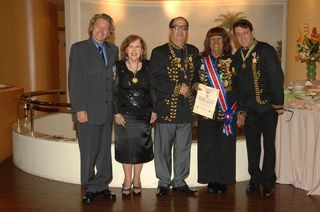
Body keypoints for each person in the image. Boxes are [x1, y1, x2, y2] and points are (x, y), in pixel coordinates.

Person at [68, 13, 119, 204]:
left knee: (104, 151)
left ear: (109, 32)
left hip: (106, 112)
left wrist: (115, 109)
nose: (101, 30)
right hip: (87, 112)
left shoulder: (113, 50)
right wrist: (78, 109)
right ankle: (89, 187)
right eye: (98, 26)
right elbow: (74, 81)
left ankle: (103, 185)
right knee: (88, 152)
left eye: (106, 28)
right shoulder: (79, 49)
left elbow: (113, 82)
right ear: (92, 27)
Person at [232, 19, 284, 197]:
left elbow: (277, 77)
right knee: (252, 146)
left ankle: (269, 181)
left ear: (252, 32)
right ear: (235, 37)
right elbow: (239, 87)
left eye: (245, 32)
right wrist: (241, 111)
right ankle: (255, 179)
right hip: (251, 111)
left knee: (269, 145)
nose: (242, 37)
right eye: (238, 34)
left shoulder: (266, 50)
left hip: (269, 108)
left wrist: (278, 104)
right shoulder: (237, 56)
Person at [150, 16, 200, 196]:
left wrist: (195, 85)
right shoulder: (159, 52)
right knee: (162, 149)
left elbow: (197, 77)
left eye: (184, 27)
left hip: (186, 109)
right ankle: (164, 182)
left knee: (183, 149)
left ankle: (179, 181)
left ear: (187, 31)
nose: (180, 31)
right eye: (176, 27)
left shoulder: (194, 51)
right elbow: (155, 79)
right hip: (166, 109)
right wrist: (178, 88)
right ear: (170, 30)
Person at [192, 27, 245, 195]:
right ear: (208, 42)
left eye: (219, 39)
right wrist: (195, 85)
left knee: (225, 146)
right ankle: (211, 180)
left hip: (228, 110)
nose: (216, 42)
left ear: (225, 42)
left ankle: (223, 179)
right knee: (207, 146)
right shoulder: (201, 60)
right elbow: (193, 80)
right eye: (212, 39)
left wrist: (241, 112)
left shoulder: (234, 60)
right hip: (205, 110)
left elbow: (241, 88)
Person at [113, 34, 157, 196]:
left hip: (144, 114)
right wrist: (116, 112)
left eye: (137, 46)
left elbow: (153, 89)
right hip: (124, 114)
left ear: (142, 50)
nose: (134, 50)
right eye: (131, 46)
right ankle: (126, 179)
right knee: (125, 148)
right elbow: (114, 90)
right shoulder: (118, 66)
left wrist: (155, 110)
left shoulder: (148, 65)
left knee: (140, 148)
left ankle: (137, 179)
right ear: (125, 49)